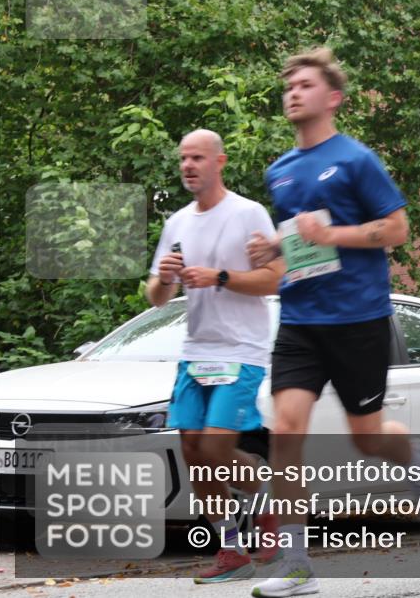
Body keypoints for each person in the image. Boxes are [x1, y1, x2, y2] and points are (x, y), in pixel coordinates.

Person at [247, 47, 420, 598]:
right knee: (285, 431)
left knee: (367, 439)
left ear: (332, 98)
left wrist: (333, 235)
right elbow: (297, 243)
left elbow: (396, 229)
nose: (293, 93)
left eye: (304, 85)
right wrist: (271, 250)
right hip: (300, 320)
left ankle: (413, 458)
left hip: (359, 319)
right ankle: (297, 564)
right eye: (289, 86)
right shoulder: (279, 170)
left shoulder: (356, 160)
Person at [146, 129, 285, 583]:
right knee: (192, 451)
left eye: (197, 158)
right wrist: (165, 278)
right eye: (183, 158)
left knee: (214, 448)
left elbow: (276, 277)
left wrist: (220, 276)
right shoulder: (177, 222)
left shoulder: (248, 213)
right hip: (196, 351)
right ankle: (232, 550)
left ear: (219, 162)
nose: (188, 166)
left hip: (241, 351)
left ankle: (270, 502)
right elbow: (156, 298)